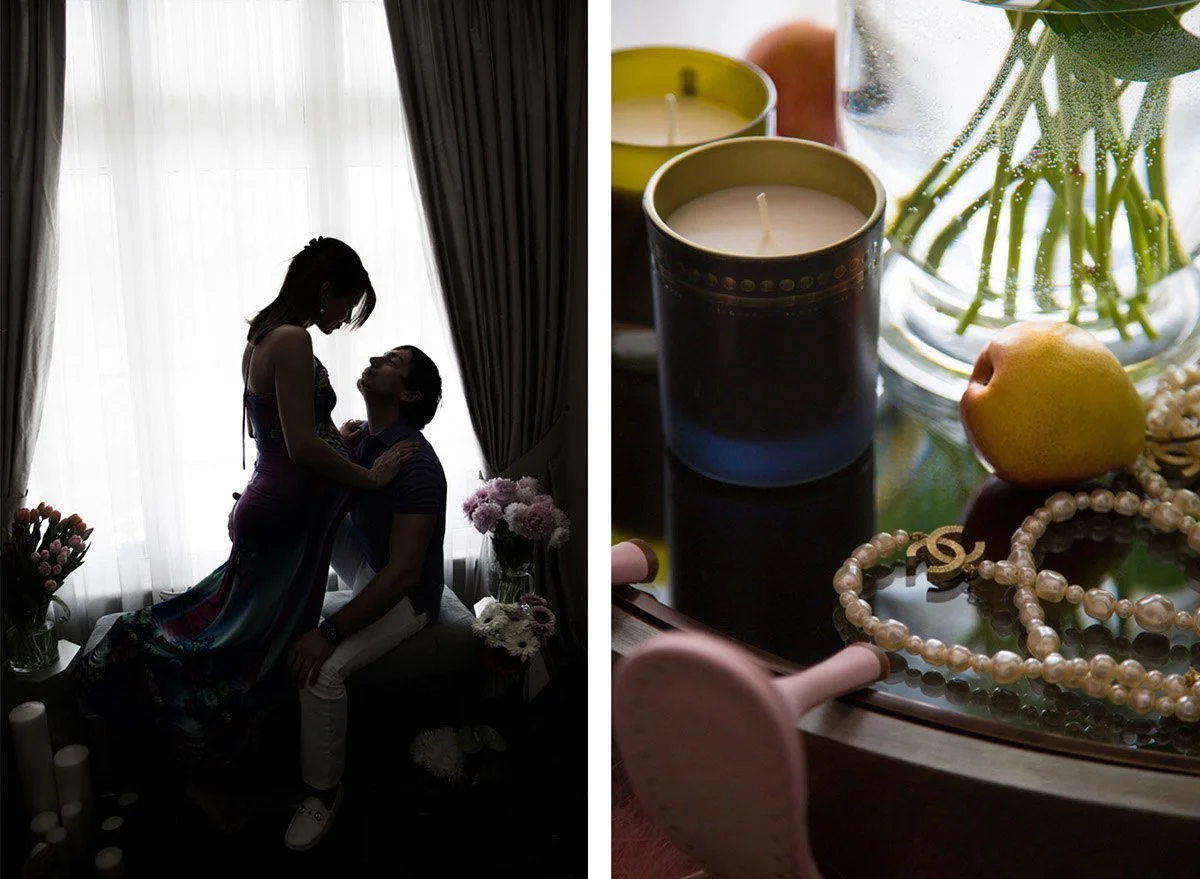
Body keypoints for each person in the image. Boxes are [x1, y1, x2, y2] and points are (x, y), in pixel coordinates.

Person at [73, 238, 417, 822]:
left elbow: (294, 434)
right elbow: (302, 446)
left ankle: (217, 770)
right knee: (244, 647)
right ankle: (199, 768)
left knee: (247, 634)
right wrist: (370, 475)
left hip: (275, 500)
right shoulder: (293, 338)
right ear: (325, 289)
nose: (341, 322)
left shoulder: (266, 334)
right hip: (284, 510)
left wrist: (347, 438)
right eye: (345, 306)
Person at [281, 344, 447, 851]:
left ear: (409, 393)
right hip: (370, 561)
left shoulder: (416, 466)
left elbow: (401, 576)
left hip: (408, 593)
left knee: (323, 674)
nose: (375, 360)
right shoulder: (364, 442)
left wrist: (329, 632)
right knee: (312, 522)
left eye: (392, 363)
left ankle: (323, 793)